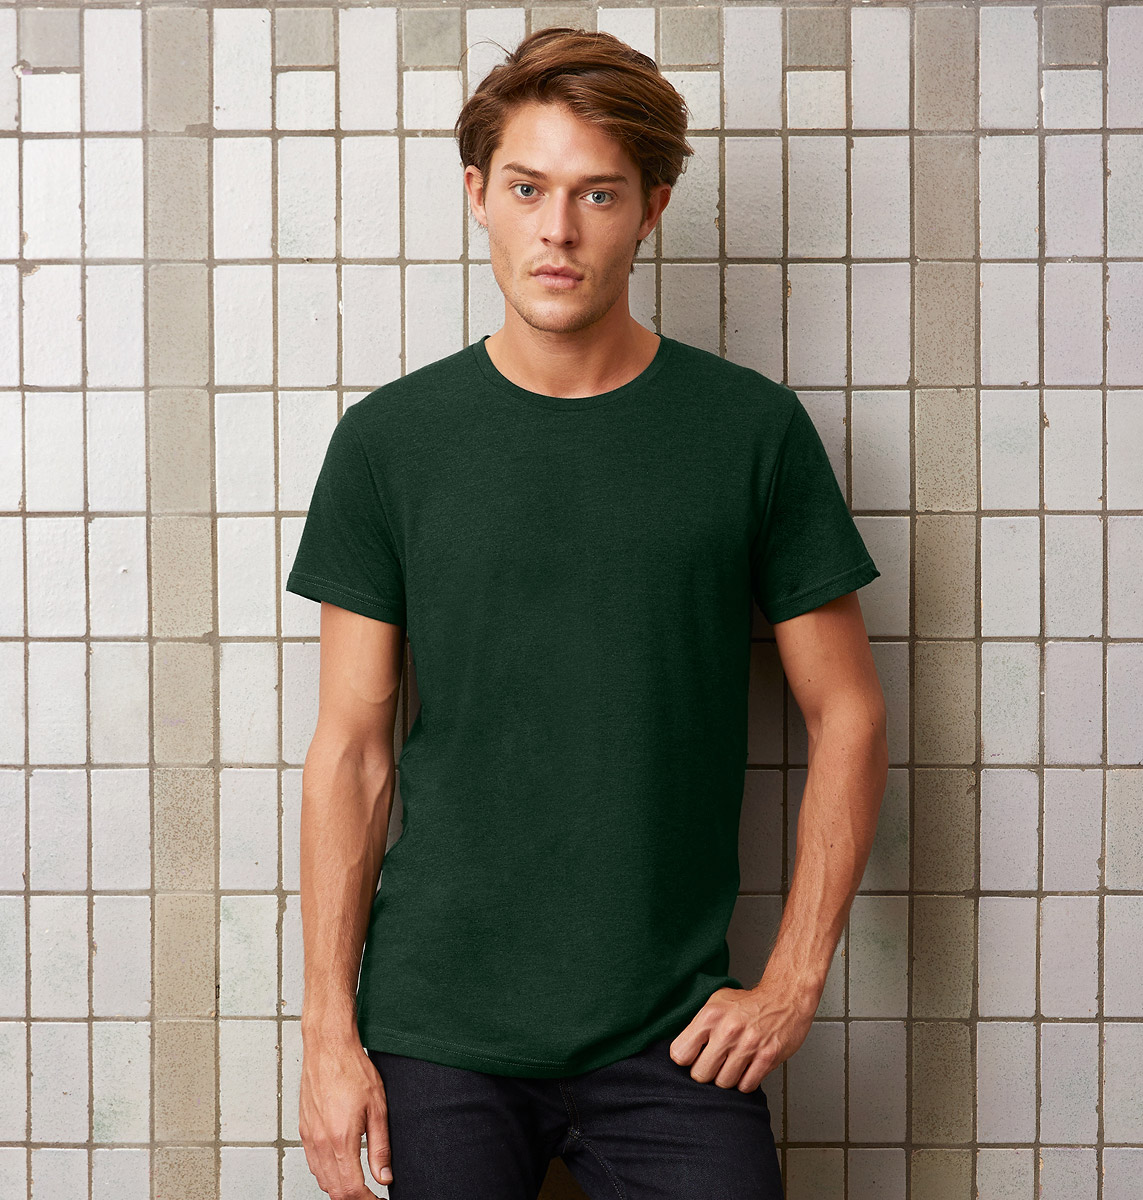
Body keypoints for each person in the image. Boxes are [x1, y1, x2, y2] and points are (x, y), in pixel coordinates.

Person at [287, 25, 888, 1200]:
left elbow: (850, 714)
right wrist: (326, 1036)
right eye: (527, 189)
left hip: (671, 1029)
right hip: (437, 1025)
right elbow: (351, 750)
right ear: (478, 195)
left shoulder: (750, 432)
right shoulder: (390, 442)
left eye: (597, 194)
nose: (556, 230)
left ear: (650, 209)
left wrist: (791, 983)